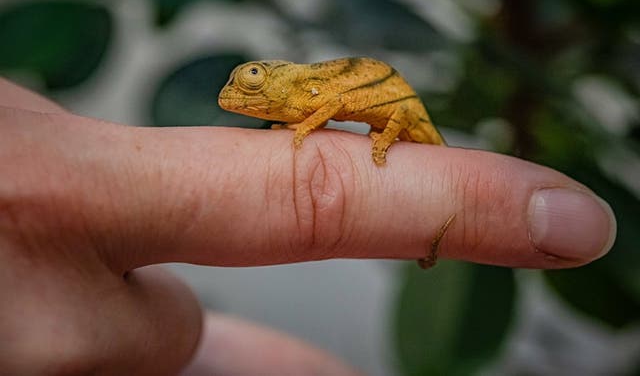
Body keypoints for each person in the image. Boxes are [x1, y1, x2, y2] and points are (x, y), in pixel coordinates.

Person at [0, 77, 616, 375]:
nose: (242, 101)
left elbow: (346, 105)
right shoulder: (290, 96)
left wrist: (351, 144)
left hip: (396, 110)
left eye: (250, 91)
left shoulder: (306, 93)